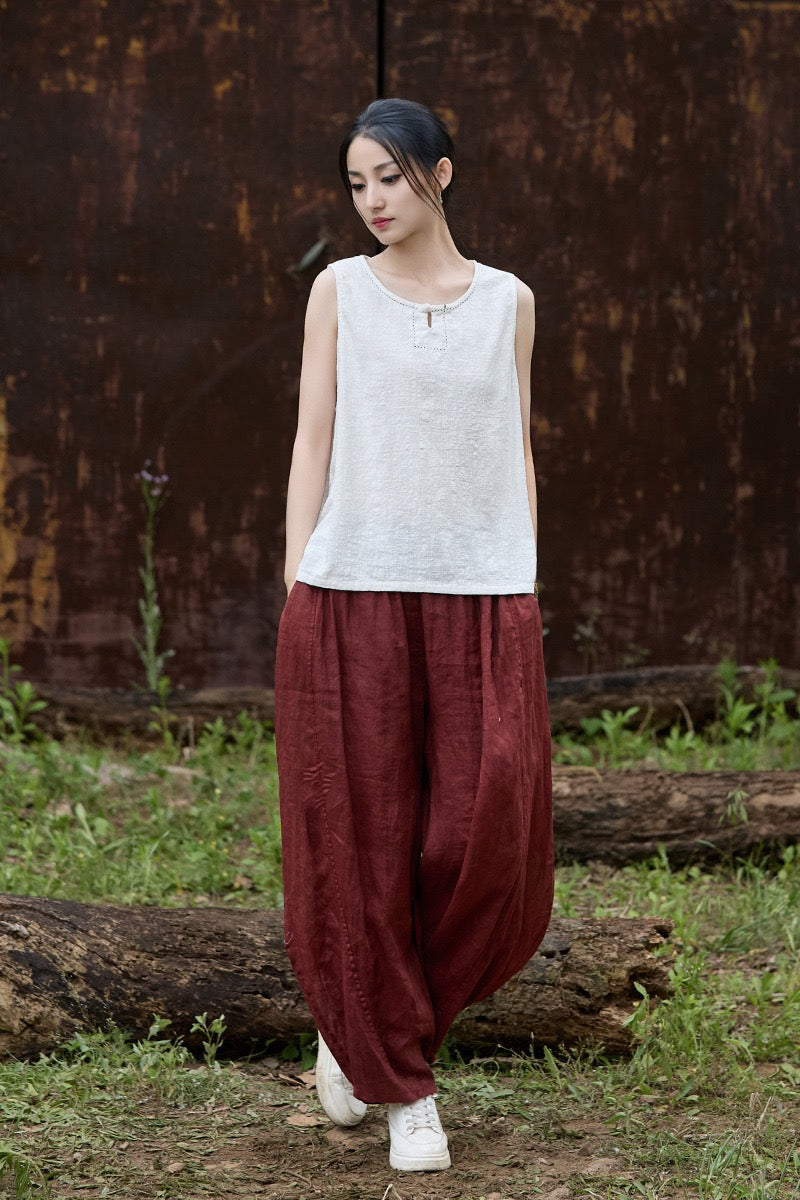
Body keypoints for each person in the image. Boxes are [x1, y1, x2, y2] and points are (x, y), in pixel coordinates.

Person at [274, 97, 553, 1174]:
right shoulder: (339, 292)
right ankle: (404, 1085)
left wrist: (522, 575)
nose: (372, 201)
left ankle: (362, 1020)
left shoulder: (508, 303)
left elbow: (513, 446)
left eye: (389, 176)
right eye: (356, 184)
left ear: (440, 173)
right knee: (360, 835)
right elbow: (312, 440)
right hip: (351, 588)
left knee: (485, 830)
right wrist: (299, 578)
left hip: (482, 593)